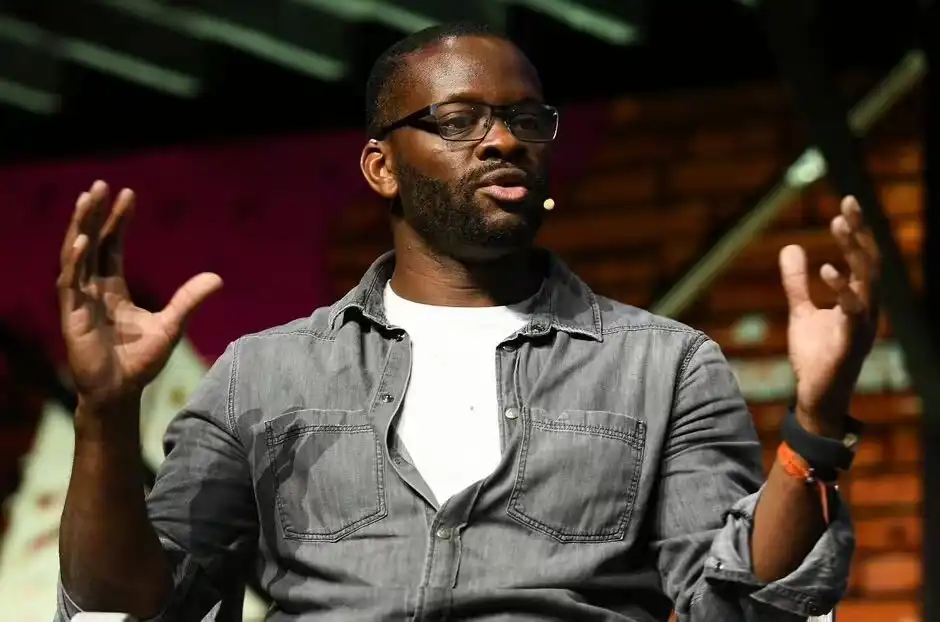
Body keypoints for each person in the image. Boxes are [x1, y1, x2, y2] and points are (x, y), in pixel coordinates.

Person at [55, 22, 877, 622]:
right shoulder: (262, 376)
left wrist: (816, 422)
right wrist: (104, 412)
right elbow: (133, 605)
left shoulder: (666, 366)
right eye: (458, 122)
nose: (503, 142)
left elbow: (740, 606)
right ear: (381, 166)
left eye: (527, 119)